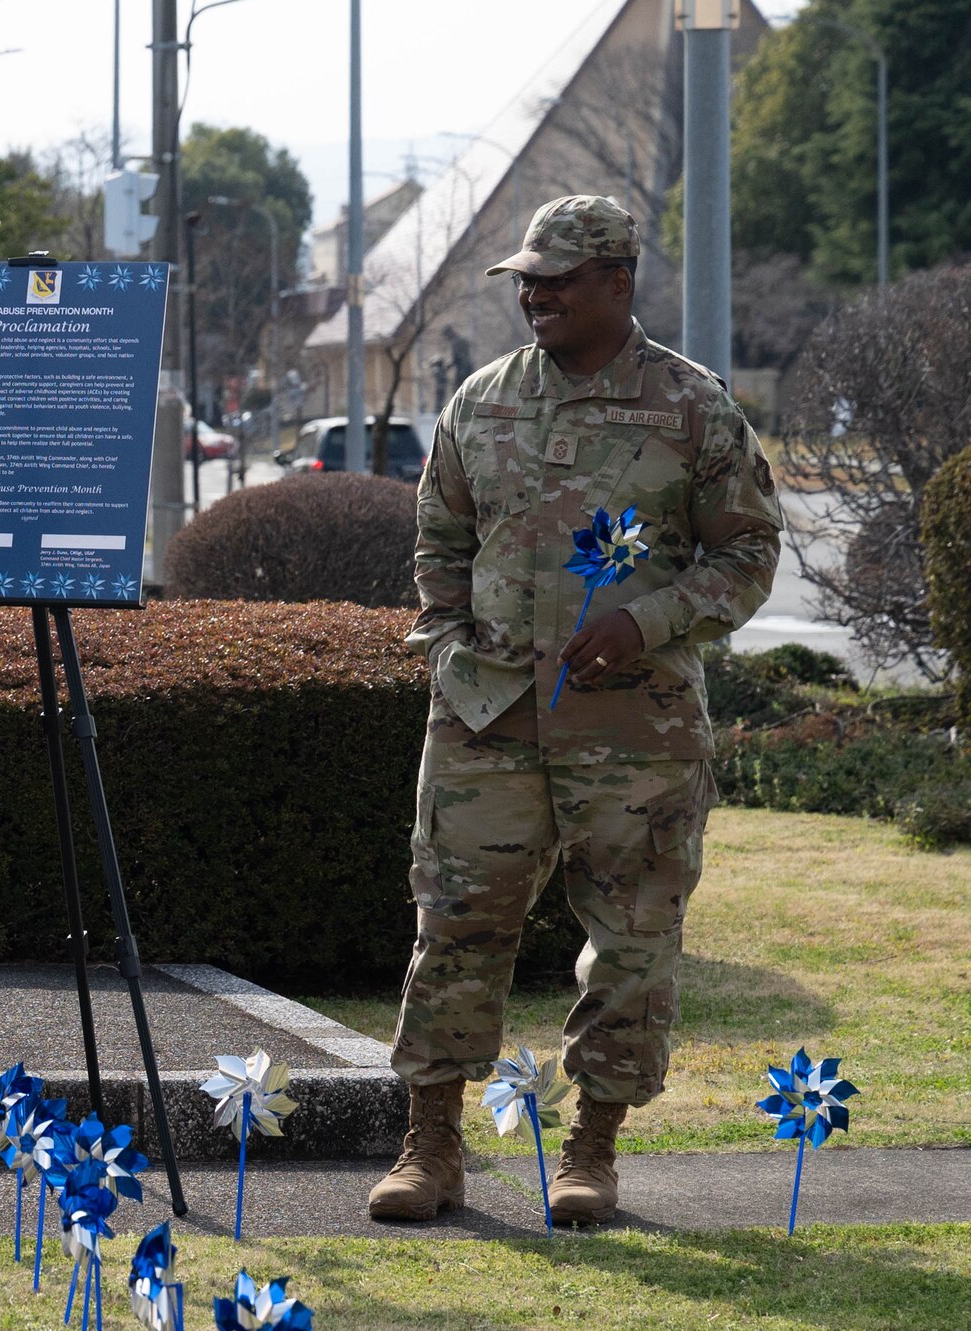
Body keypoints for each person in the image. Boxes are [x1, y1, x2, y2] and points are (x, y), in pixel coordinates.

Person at [367, 196, 784, 1225]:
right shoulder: (479, 399)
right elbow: (438, 541)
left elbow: (747, 553)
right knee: (455, 923)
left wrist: (645, 624)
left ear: (616, 282)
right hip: (487, 716)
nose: (534, 294)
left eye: (555, 277)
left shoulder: (690, 408)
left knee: (630, 938)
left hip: (633, 730)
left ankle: (590, 1149)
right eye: (524, 278)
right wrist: (454, 643)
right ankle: (430, 1146)